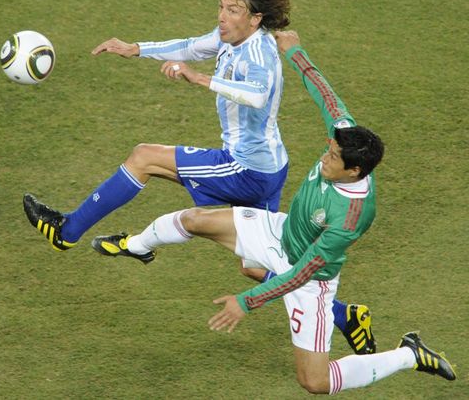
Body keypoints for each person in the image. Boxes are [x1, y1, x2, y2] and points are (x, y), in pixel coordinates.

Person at [23, 0, 373, 356]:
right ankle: (344, 315)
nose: (222, 17)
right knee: (254, 266)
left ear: (255, 19)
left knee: (144, 157)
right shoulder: (231, 37)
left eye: (233, 10)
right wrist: (134, 48)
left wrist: (199, 79)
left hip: (243, 168)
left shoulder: (259, 53)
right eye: (221, 6)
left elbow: (257, 95)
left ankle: (67, 231)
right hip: (270, 168)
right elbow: (192, 46)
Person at [90, 31, 456, 393]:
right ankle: (137, 246)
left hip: (309, 281)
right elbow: (324, 93)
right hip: (279, 231)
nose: (324, 158)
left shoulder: (351, 217)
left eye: (332, 158)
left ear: (355, 171)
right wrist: (295, 51)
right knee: (194, 220)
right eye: (328, 150)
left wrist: (246, 302)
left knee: (314, 381)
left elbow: (301, 273)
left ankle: (409, 354)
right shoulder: (346, 136)